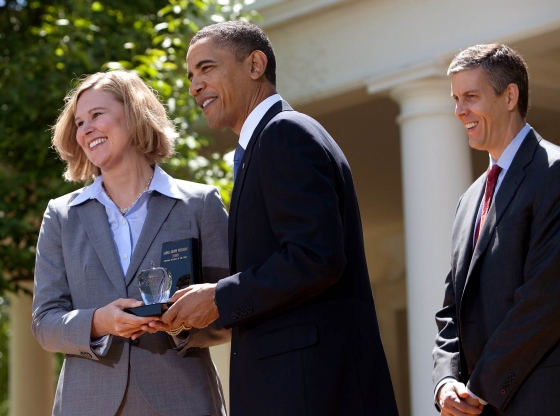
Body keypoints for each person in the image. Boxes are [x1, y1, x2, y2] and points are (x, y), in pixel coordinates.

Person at [149, 21, 399, 416]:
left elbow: (315, 257)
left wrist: (218, 297)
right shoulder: (264, 143)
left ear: (255, 65)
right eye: (191, 75)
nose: (195, 85)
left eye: (207, 68)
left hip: (306, 390)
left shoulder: (284, 134)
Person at [32, 70, 230, 416]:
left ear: (135, 113)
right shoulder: (62, 216)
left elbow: (232, 307)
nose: (86, 129)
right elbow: (45, 324)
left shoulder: (199, 204)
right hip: (87, 404)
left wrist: (182, 324)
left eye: (97, 115)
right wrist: (100, 322)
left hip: (182, 401)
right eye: (79, 123)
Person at [433, 44, 560, 415]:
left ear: (510, 96)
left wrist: (478, 388)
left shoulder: (553, 173)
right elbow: (451, 309)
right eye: (455, 99)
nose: (460, 112)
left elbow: (546, 300)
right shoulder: (469, 200)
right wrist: (446, 383)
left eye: (471, 96)